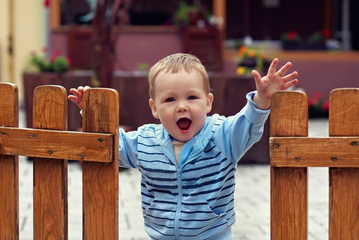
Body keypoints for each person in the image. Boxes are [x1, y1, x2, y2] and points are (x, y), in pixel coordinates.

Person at [68, 53, 298, 239]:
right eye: (170, 99)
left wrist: (262, 100)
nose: (181, 107)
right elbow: (109, 145)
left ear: (208, 102)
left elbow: (247, 123)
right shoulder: (146, 141)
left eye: (191, 97)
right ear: (154, 108)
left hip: (212, 236)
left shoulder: (222, 136)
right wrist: (91, 111)